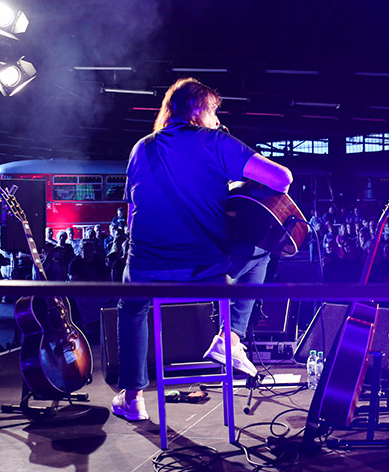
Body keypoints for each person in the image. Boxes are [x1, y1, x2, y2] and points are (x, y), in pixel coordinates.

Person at [112, 78, 293, 422]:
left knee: (131, 307)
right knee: (263, 249)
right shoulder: (216, 141)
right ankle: (230, 337)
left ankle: (133, 396)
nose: (215, 118)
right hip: (202, 272)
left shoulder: (141, 148)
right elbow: (282, 179)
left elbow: (133, 213)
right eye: (212, 111)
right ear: (198, 110)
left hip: (146, 270)